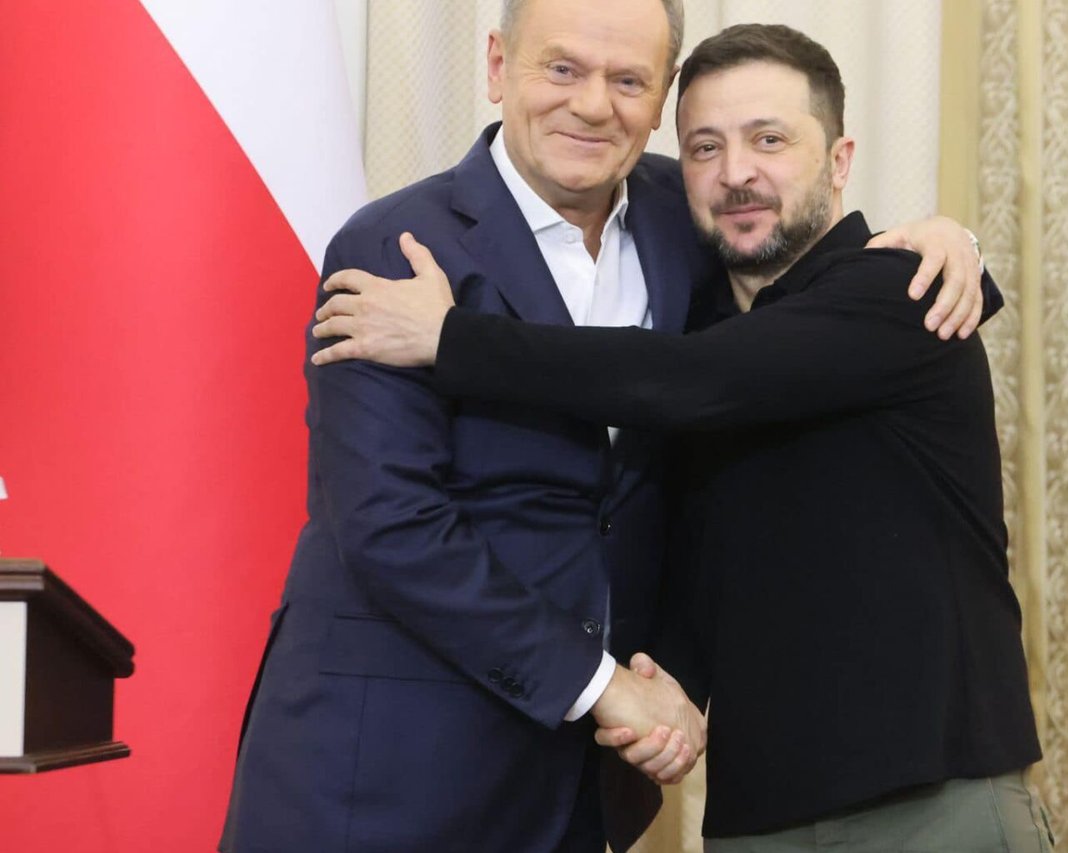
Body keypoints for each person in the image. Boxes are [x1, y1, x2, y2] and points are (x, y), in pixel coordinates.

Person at [218, 1, 989, 851]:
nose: (592, 105)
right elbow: (389, 524)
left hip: (579, 789)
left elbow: (727, 355)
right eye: (562, 68)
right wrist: (601, 684)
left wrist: (947, 240)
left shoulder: (687, 218)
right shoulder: (393, 250)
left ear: (660, 99)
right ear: (497, 65)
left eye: (627, 80)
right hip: (385, 770)